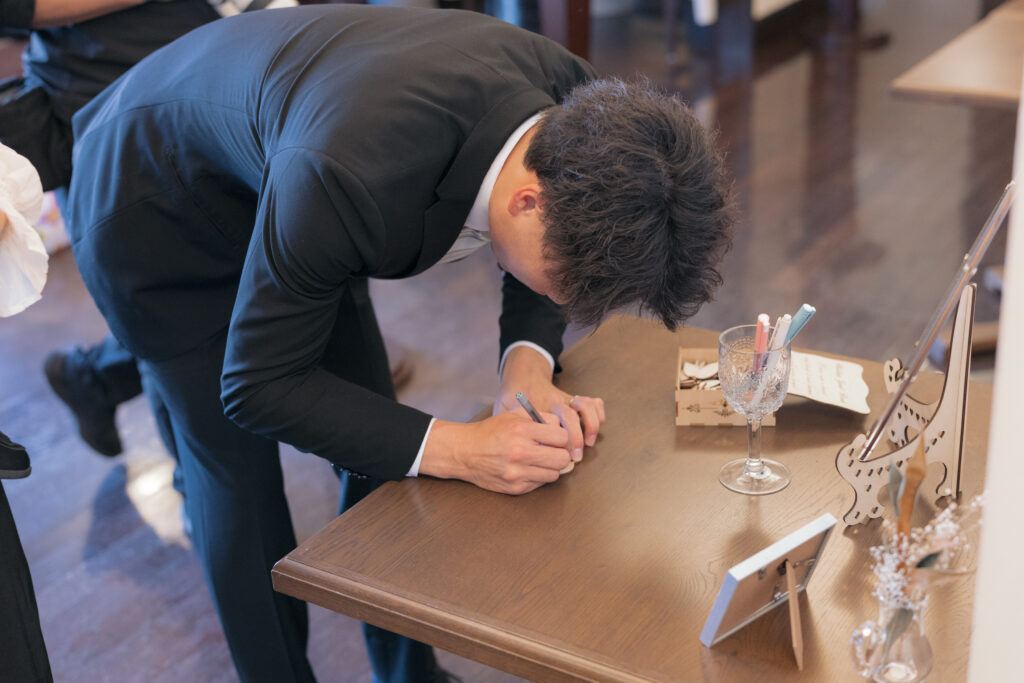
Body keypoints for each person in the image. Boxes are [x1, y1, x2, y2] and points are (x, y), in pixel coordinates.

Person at [65, 5, 733, 681]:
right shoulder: (352, 177)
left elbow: (565, 245)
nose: (570, 302)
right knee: (237, 478)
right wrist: (464, 448)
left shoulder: (588, 116)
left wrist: (526, 367)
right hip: (150, 210)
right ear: (527, 202)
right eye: (569, 285)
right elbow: (257, 385)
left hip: (292, 172)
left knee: (378, 446)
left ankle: (410, 676)